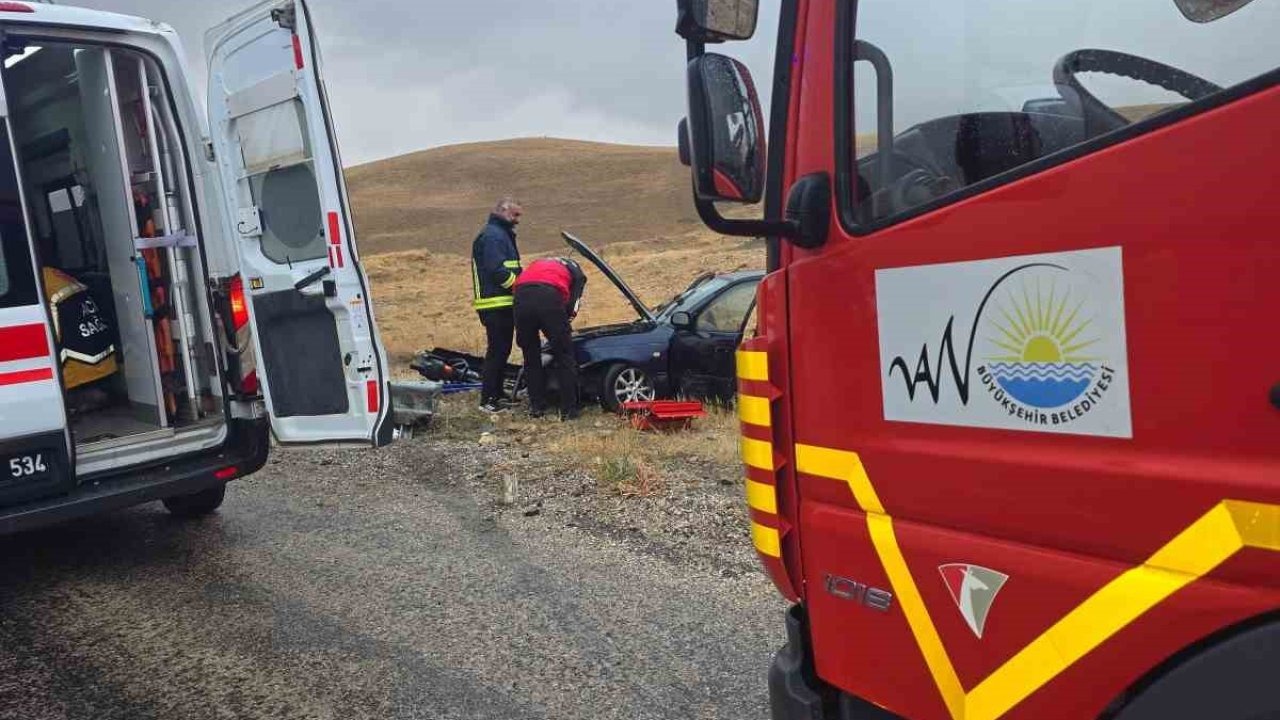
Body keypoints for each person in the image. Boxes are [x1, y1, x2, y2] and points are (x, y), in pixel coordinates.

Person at [512, 256, 587, 421]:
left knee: (530, 356)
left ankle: (536, 407)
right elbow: (572, 304)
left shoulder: (539, 263)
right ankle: (569, 409)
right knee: (564, 354)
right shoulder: (577, 273)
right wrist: (564, 327)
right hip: (548, 296)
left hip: (521, 297)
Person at [471, 197, 523, 413]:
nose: (518, 220)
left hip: (502, 303)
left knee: (502, 350)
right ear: (502, 211)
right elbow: (496, 269)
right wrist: (518, 286)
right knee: (496, 351)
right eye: (515, 215)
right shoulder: (493, 236)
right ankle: (487, 400)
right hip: (495, 304)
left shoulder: (500, 234)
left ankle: (497, 393)